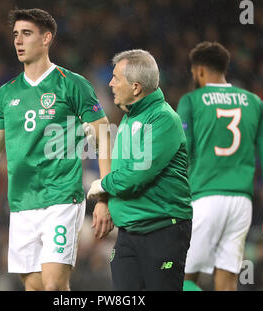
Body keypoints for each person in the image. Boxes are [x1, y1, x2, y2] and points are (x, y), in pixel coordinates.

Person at [0, 8, 114, 291]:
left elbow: (104, 137)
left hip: (62, 199)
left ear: (46, 38)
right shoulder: (5, 94)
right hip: (22, 204)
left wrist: (105, 195)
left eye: (26, 34)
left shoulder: (72, 84)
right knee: (34, 288)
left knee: (53, 286)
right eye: (15, 35)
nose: (18, 41)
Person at [177, 41, 263, 291]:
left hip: (204, 199)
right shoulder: (255, 102)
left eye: (194, 73)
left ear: (200, 71)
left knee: (181, 278)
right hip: (241, 204)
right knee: (226, 283)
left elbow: (183, 153)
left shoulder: (191, 101)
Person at [87, 49, 193, 291]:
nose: (110, 83)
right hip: (128, 233)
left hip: (162, 230)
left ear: (136, 87)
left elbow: (136, 175)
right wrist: (106, 201)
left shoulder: (163, 119)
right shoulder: (130, 118)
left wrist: (101, 185)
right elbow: (125, 167)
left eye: (116, 78)